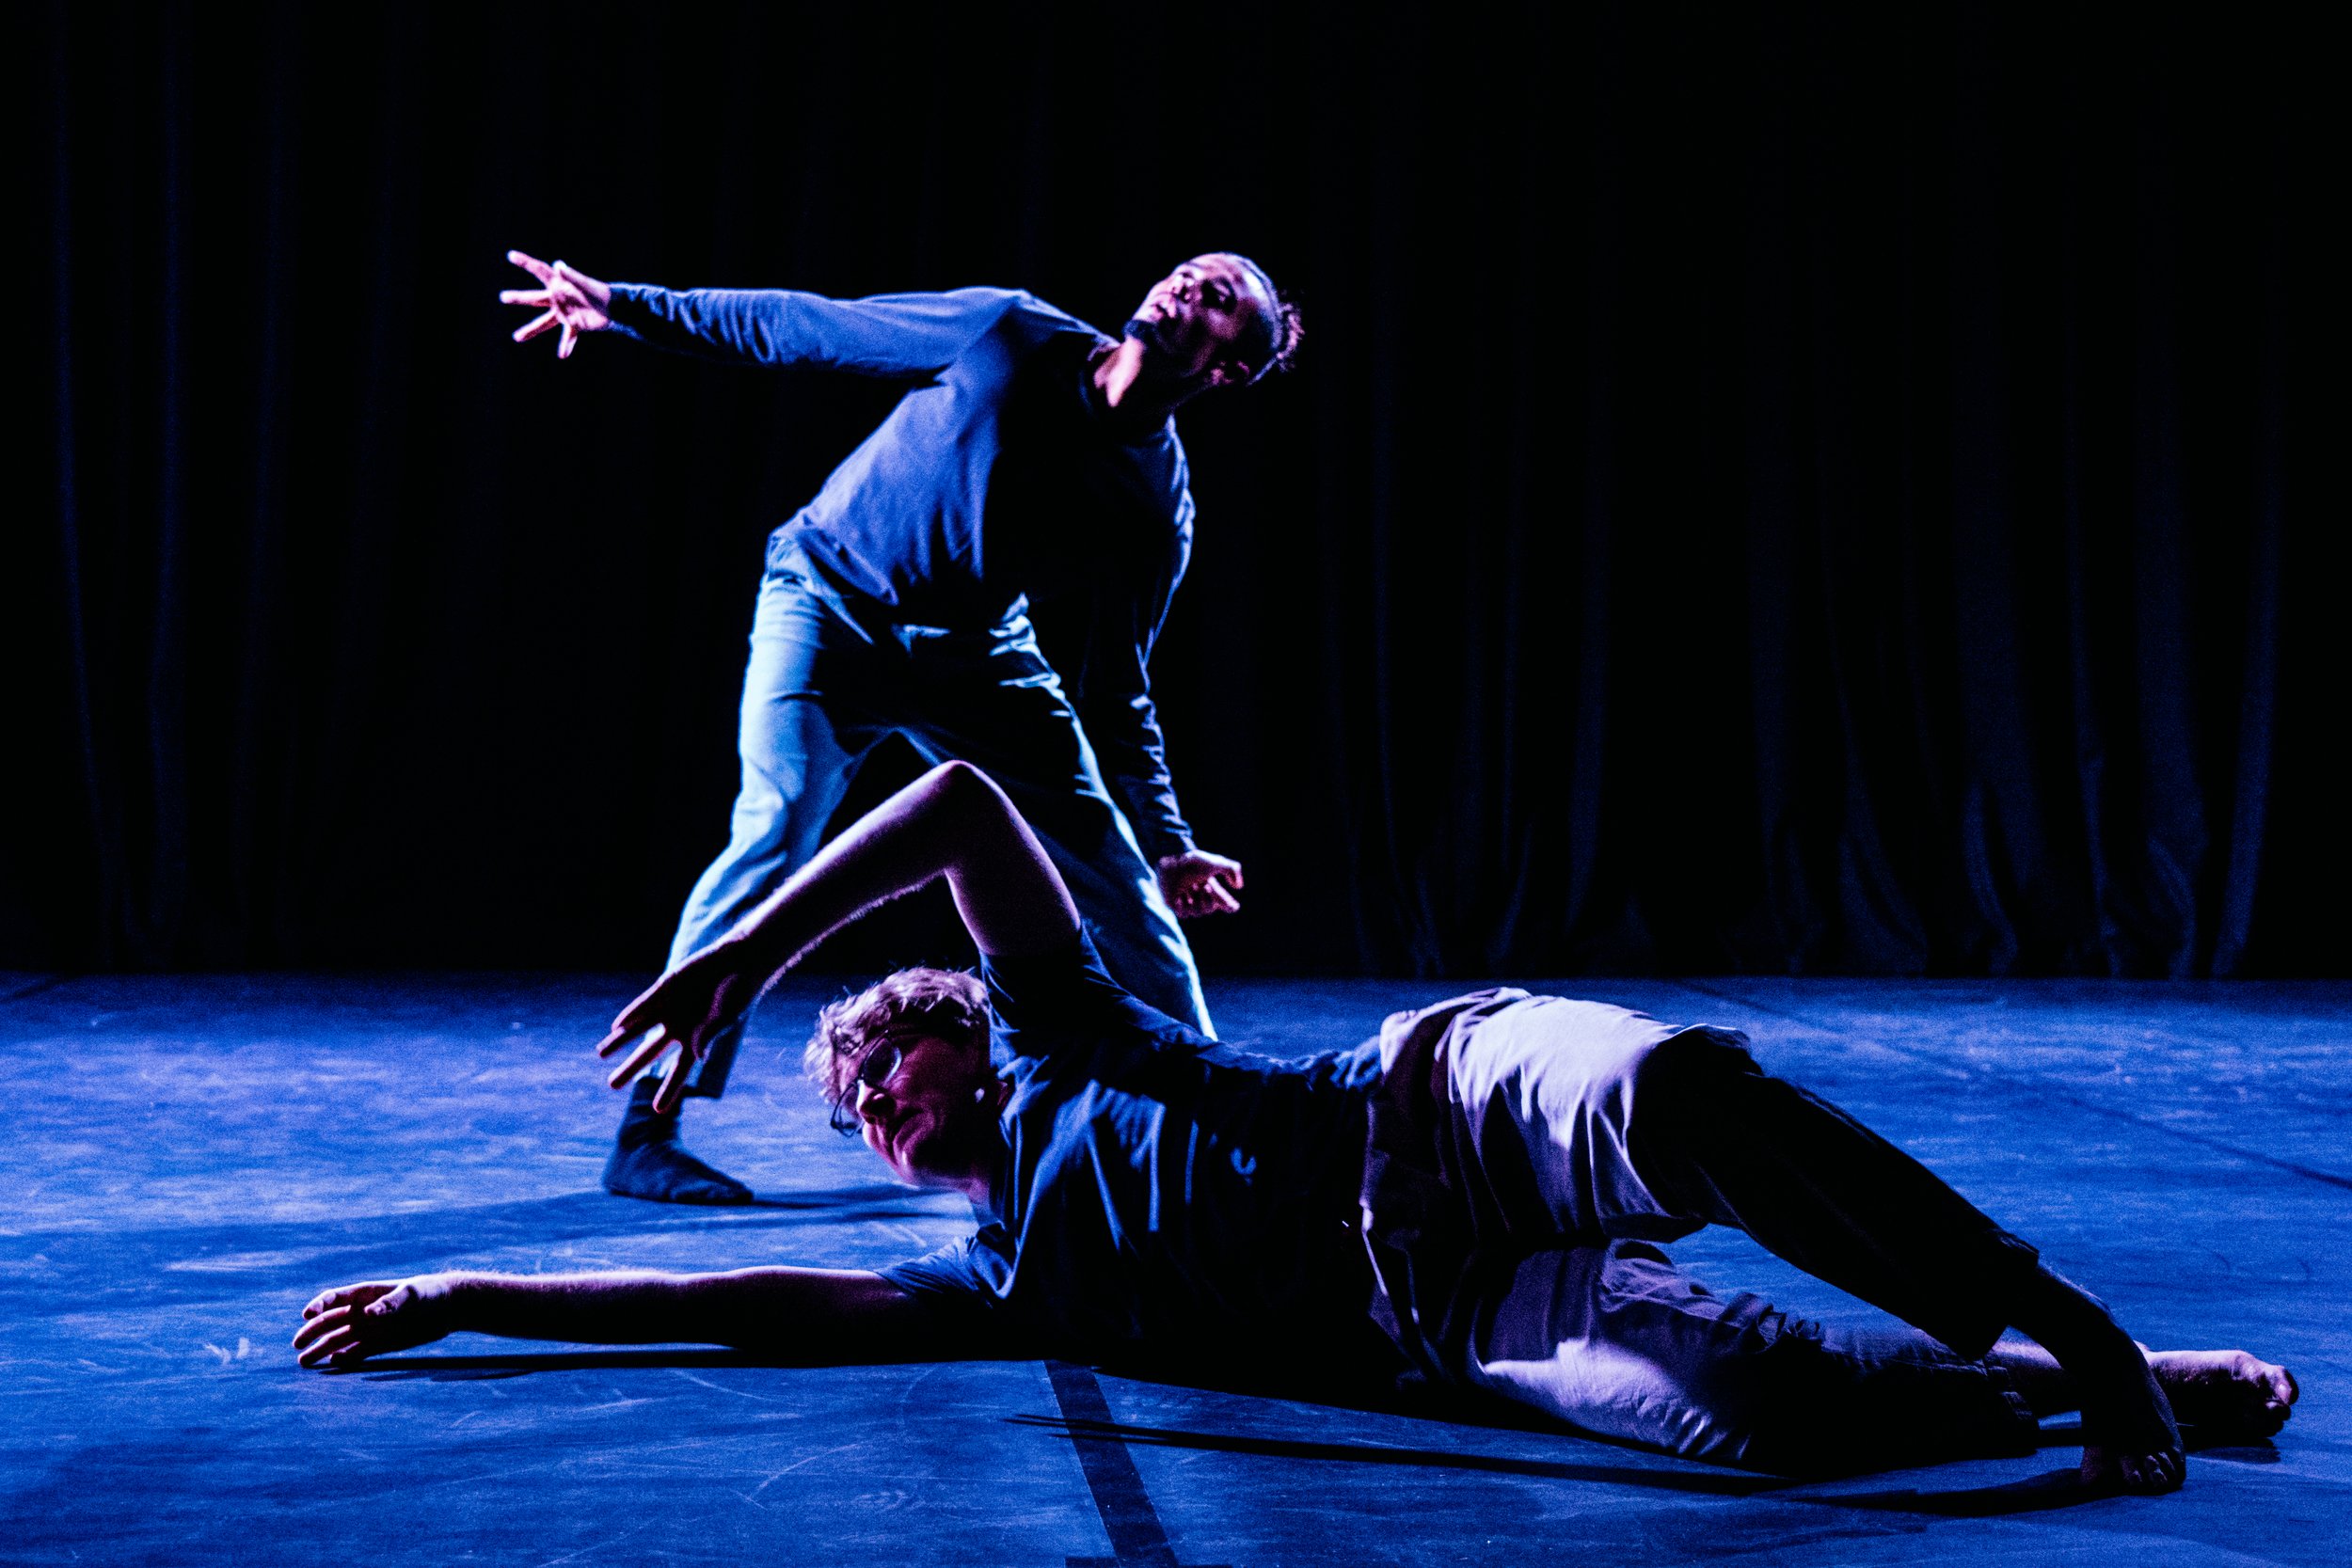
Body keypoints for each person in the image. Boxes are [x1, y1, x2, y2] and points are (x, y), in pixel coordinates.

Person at [294, 763, 2298, 1493]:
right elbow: (738, 1301)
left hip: (1441, 1106)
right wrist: (464, 1286)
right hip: (1459, 1311)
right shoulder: (989, 1273)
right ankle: (2082, 1387)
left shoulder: (1067, 1035)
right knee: (1793, 1428)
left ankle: (2063, 1314)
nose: (865, 1107)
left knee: (1695, 1094)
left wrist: (738, 958)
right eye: (844, 1104)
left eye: (874, 1064)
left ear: (955, 1037)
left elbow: (961, 799)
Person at [497, 247, 1303, 1205]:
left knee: (1123, 881)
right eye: (1188, 271)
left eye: (1218, 299)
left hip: (975, 653)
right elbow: (809, 325)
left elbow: (1117, 684)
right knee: (780, 824)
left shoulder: (1151, 502)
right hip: (826, 599)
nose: (1184, 287)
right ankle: (648, 1130)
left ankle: (1216, 1125)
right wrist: (629, 305)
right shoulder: (1006, 331)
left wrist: (1170, 843)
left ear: (1228, 369)